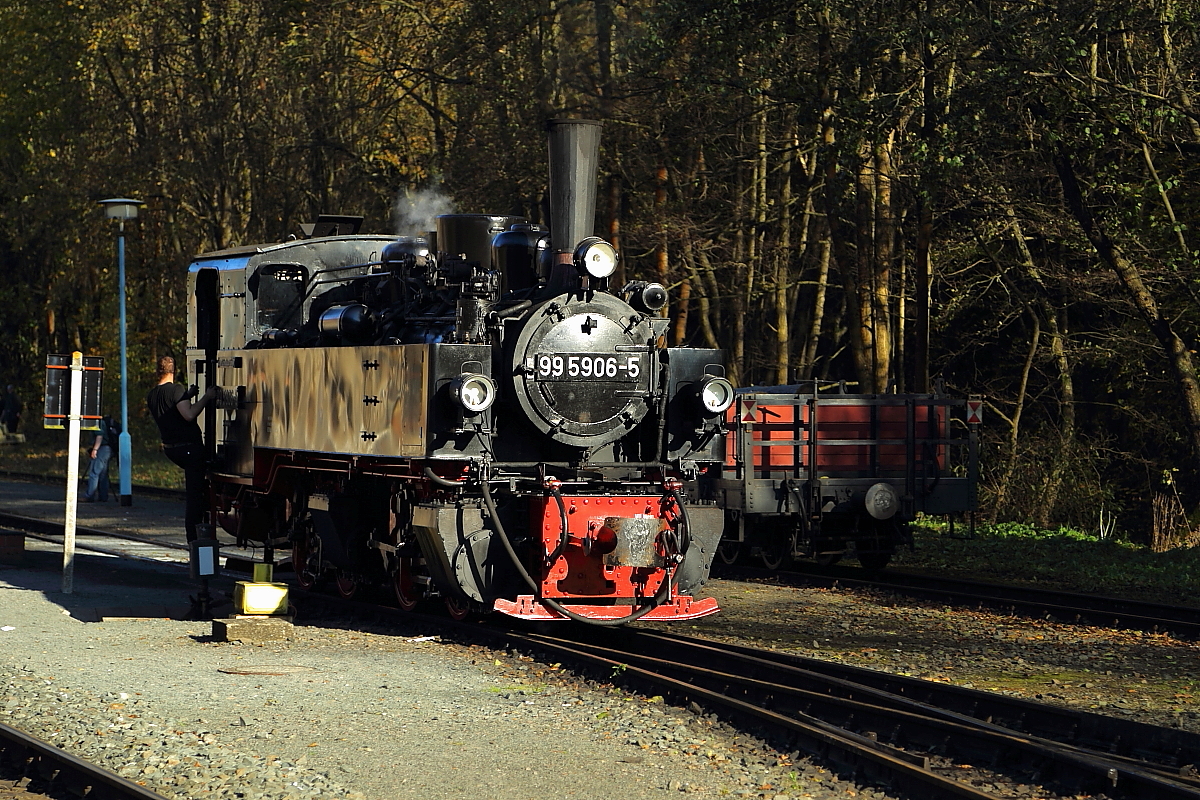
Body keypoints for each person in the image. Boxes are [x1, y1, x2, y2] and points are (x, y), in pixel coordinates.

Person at [146, 356, 218, 541]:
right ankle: (194, 539)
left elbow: (171, 408)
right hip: (190, 448)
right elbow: (189, 415)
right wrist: (206, 397)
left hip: (171, 448)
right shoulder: (176, 389)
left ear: (157, 371)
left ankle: (197, 536)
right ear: (173, 371)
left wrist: (189, 395)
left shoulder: (152, 394)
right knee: (195, 496)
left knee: (195, 491)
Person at [82, 415, 117, 502]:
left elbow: (99, 436)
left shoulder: (97, 422)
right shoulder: (101, 421)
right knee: (103, 474)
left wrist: (95, 449)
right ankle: (103, 496)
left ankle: (89, 495)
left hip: (102, 448)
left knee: (94, 472)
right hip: (107, 449)